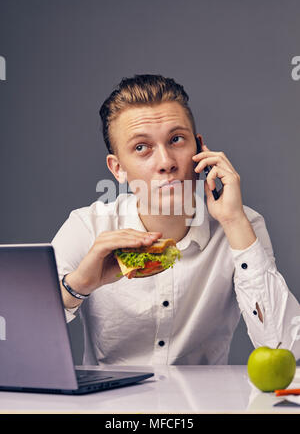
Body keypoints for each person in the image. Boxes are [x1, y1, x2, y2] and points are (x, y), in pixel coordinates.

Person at [51, 74, 300, 366]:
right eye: (142, 147)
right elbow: (20, 330)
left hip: (206, 409)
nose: (166, 162)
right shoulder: (88, 226)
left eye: (176, 139)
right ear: (118, 169)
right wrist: (78, 285)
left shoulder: (241, 225)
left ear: (199, 149)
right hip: (111, 409)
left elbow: (288, 352)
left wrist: (233, 222)